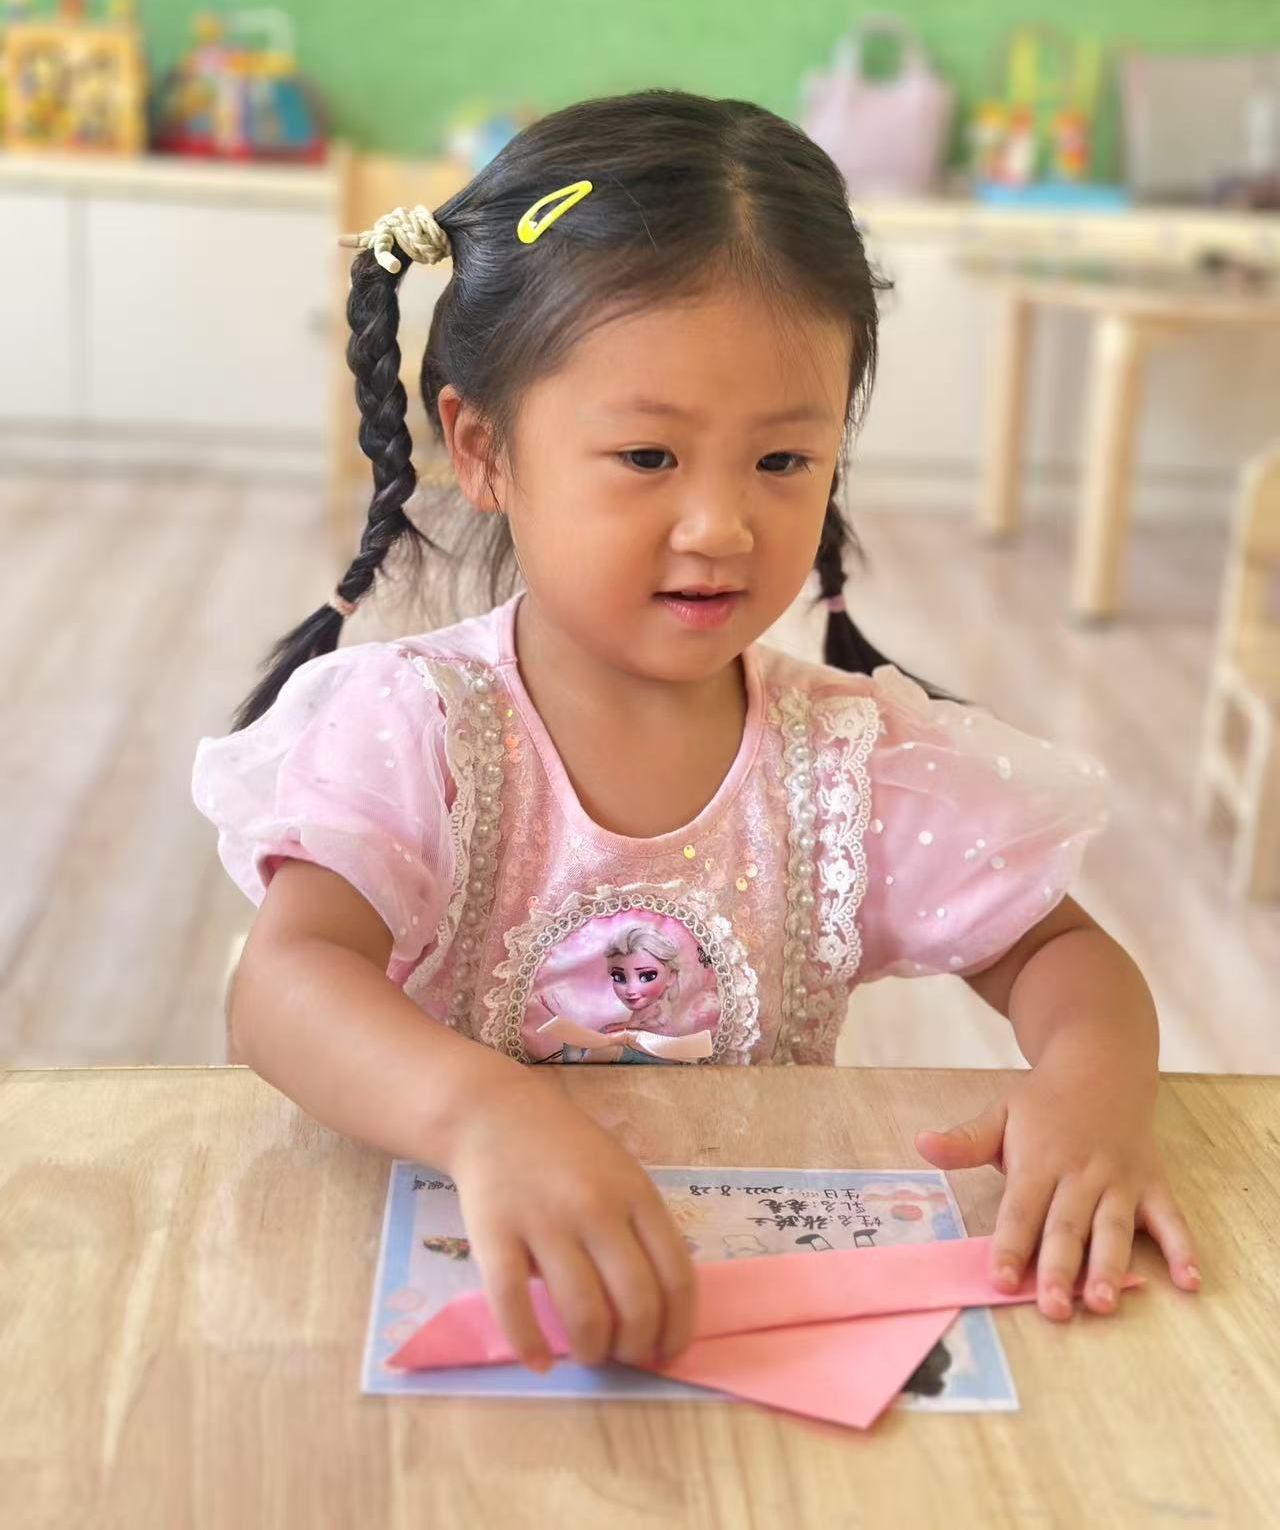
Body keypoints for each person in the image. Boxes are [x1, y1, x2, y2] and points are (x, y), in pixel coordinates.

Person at [192, 88, 1199, 1378]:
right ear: (482, 448)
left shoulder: (849, 764)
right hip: (456, 1307)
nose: (721, 526)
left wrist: (1090, 1095)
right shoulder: (417, 728)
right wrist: (482, 1115)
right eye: (648, 457)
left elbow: (1064, 957)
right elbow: (280, 989)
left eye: (782, 463)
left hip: (745, 1327)